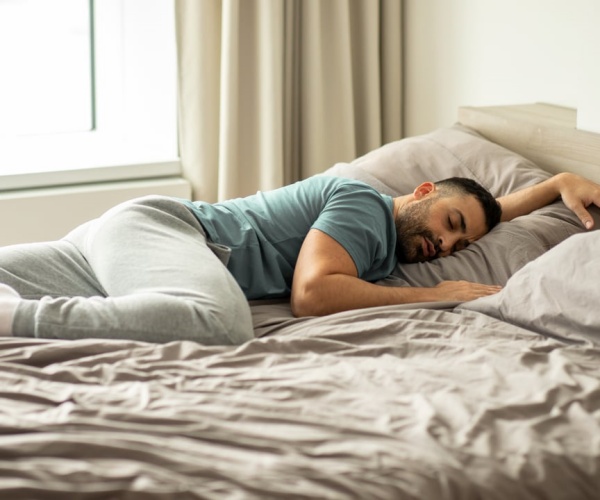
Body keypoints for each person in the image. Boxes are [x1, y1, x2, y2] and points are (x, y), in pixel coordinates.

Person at [0, 171, 598, 345]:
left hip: (118, 242)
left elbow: (484, 210)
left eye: (458, 247)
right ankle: (18, 322)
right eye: (448, 227)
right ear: (421, 192)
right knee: (220, 322)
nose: (446, 246)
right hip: (169, 232)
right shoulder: (364, 204)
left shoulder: (396, 240)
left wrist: (557, 183)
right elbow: (311, 295)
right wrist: (433, 293)